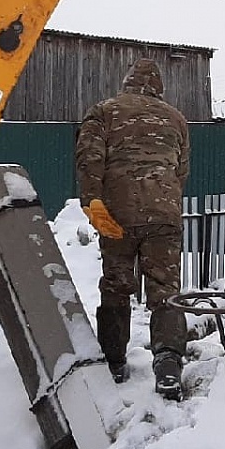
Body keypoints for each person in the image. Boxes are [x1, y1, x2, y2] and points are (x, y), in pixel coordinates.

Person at [75, 58, 192, 398]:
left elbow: (89, 157)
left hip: (118, 215)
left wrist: (93, 199)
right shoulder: (176, 119)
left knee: (116, 285)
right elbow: (181, 171)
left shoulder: (104, 111)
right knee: (165, 290)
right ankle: (169, 365)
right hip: (164, 214)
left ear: (127, 82)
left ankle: (113, 362)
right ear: (159, 88)